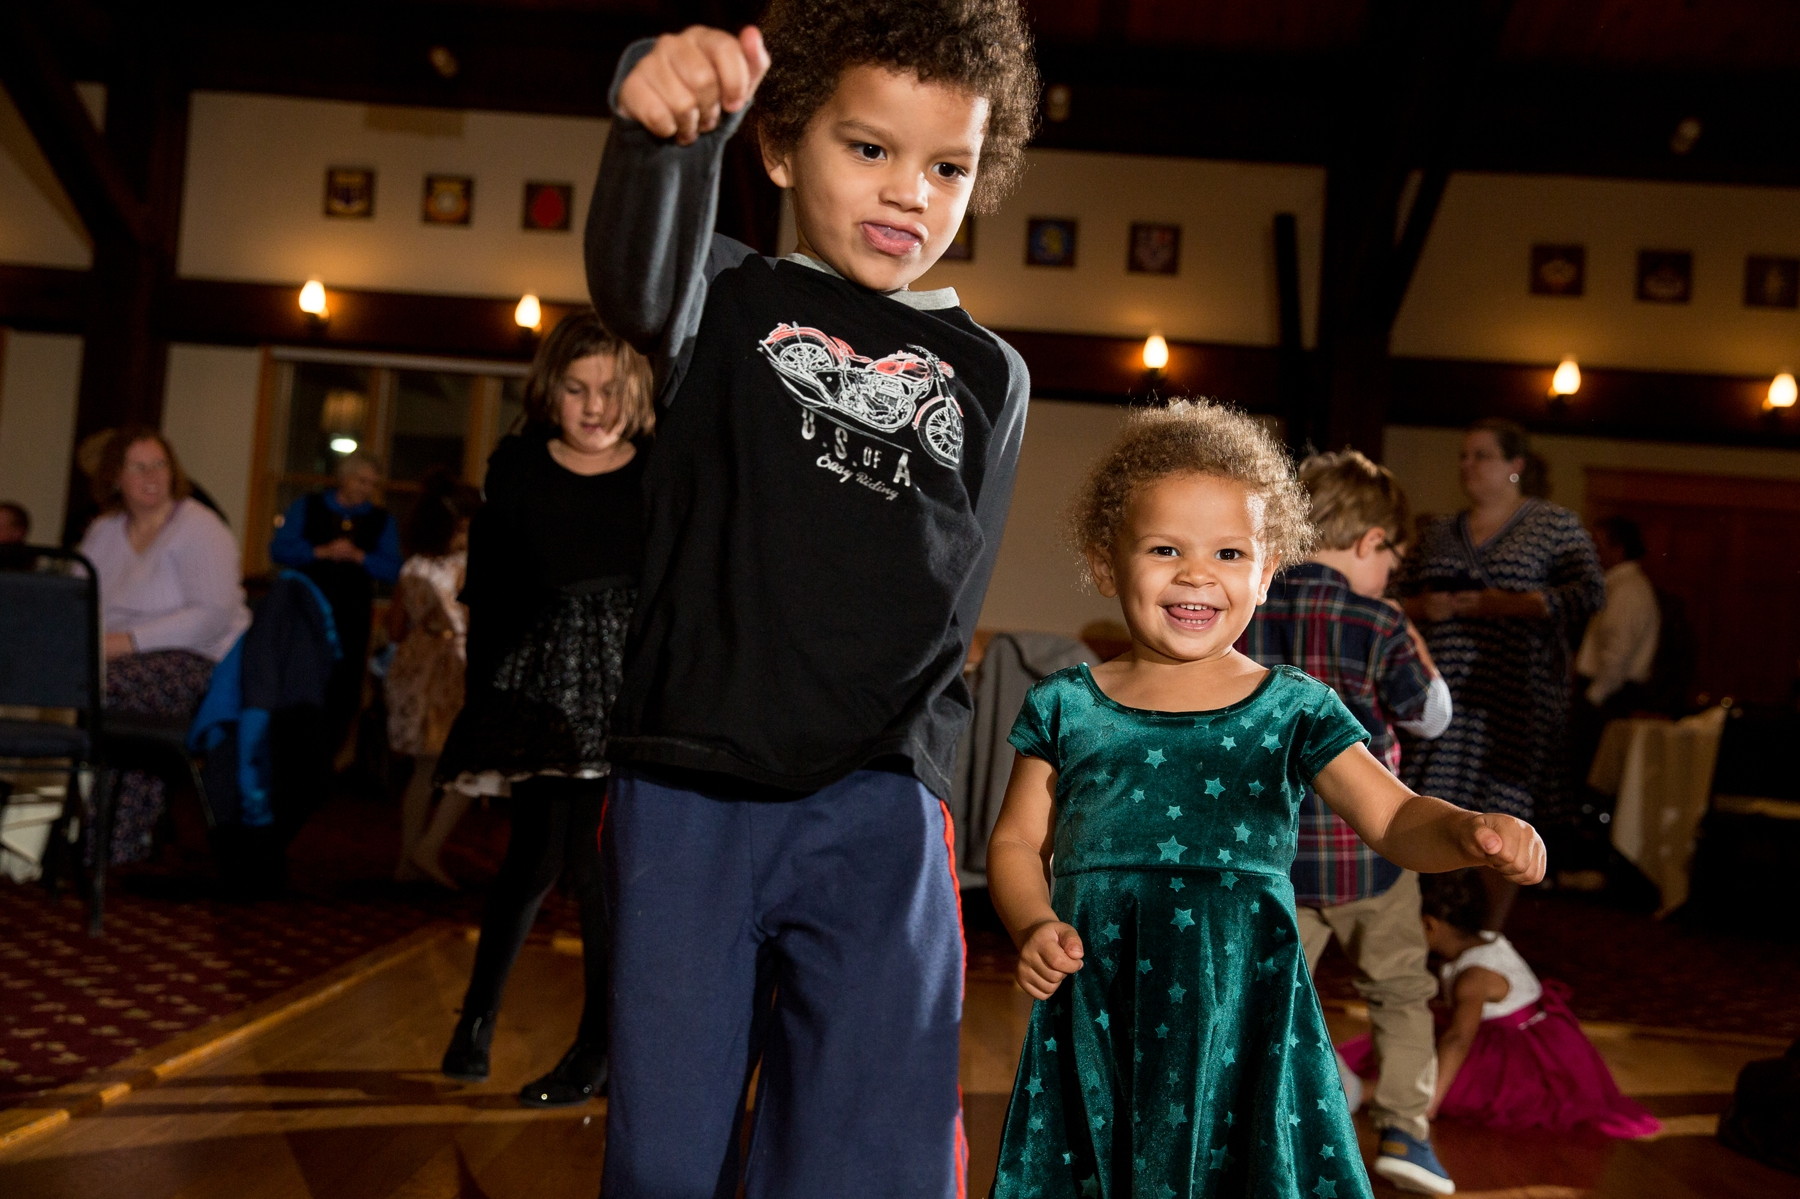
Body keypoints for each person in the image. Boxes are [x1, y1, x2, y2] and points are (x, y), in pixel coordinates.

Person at [588, 4, 1038, 1194]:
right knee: (665, 1152)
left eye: (947, 166)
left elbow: (960, 586)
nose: (909, 194)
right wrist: (654, 127)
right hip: (690, 785)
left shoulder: (993, 374)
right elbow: (634, 276)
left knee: (866, 1151)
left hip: (878, 801)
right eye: (868, 149)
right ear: (782, 147)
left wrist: (927, 773)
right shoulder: (722, 298)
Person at [985, 401, 1546, 1199]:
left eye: (1227, 551)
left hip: (1245, 1015)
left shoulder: (1293, 707)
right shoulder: (1067, 706)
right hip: (1100, 1007)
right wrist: (1033, 920)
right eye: (1164, 549)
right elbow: (1013, 842)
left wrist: (1467, 829)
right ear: (1107, 563)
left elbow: (1391, 816)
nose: (1195, 573)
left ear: (1267, 568)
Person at [433, 309, 654, 1110]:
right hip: (541, 683)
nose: (593, 407)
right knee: (531, 858)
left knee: (598, 872)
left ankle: (595, 1047)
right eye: (575, 388)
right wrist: (487, 699)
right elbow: (491, 590)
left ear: (634, 391)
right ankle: (478, 1019)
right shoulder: (519, 466)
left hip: (621, 691)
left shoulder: (656, 471)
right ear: (548, 392)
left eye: (609, 389)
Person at [1238, 449, 1457, 1196]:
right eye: (1392, 558)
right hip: (1372, 853)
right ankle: (1404, 1131)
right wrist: (1415, 646)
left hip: (1274, 858)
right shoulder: (1379, 619)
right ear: (1370, 541)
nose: (1390, 573)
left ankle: (1264, 1126)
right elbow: (1430, 717)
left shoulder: (1247, 602)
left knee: (1263, 994)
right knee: (1400, 989)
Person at [1397, 419, 1603, 930]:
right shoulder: (1441, 531)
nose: (1468, 466)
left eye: (1482, 456)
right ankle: (1427, 931)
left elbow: (1589, 593)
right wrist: (1426, 606)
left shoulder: (1553, 526)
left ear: (1516, 466)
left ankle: (1486, 937)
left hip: (1513, 697)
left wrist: (1509, 604)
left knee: (1503, 812)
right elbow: (1391, 595)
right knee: (1434, 806)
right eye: (1464, 456)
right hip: (1445, 695)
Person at [1341, 869, 1660, 1139]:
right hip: (1508, 1034)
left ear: (1429, 926)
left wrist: (1432, 1100)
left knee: (1448, 1083)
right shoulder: (1480, 939)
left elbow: (1458, 1039)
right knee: (1398, 1046)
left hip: (1521, 1058)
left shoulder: (1474, 976)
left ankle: (1365, 1093)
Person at [77, 428, 250, 862]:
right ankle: (50, 826)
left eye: (161, 465)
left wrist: (127, 641)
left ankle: (113, 835)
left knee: (111, 690)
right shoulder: (104, 531)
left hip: (197, 660)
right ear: (115, 477)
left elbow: (212, 615)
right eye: (140, 467)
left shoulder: (199, 528)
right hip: (112, 656)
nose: (153, 476)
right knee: (43, 684)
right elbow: (75, 598)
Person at [269, 450, 401, 760]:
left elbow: (394, 568)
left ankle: (329, 756)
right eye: (360, 480)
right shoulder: (308, 506)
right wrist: (320, 552)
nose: (365, 488)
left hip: (351, 617)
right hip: (305, 611)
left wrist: (360, 557)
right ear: (344, 477)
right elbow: (279, 549)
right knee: (299, 677)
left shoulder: (381, 520)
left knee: (344, 688)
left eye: (371, 483)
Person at [386, 469, 479, 889]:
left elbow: (394, 627)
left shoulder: (413, 565)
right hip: (450, 668)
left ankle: (407, 862)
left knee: (422, 772)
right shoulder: (465, 566)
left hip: (413, 662)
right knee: (470, 768)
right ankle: (428, 848)